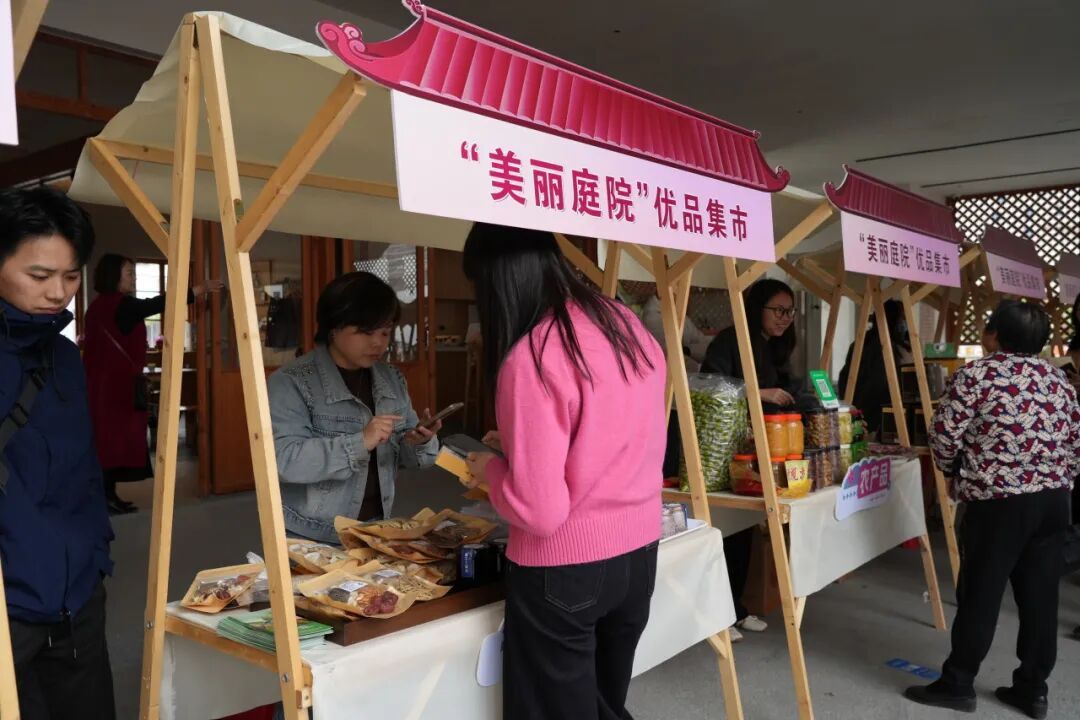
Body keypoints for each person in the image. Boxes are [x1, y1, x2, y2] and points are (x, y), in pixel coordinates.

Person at [459, 223, 666, 720]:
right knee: (605, 703)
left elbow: (540, 511)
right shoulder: (622, 321)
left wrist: (492, 470)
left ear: (497, 282)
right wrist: (521, 447)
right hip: (639, 553)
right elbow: (613, 431)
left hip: (565, 568)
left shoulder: (532, 354)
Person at [904, 300, 1079, 718]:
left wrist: (951, 471)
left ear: (994, 334)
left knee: (981, 593)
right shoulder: (1060, 381)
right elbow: (1074, 443)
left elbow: (943, 435)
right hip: (1054, 501)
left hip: (997, 501)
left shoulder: (976, 375)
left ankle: (958, 684)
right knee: (1041, 597)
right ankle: (1032, 690)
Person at [0, 187, 115, 718]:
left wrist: (94, 555)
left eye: (70, 277)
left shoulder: (65, 357)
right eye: (39, 275)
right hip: (10, 605)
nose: (58, 293)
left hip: (77, 594)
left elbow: (83, 468)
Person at [268, 271, 441, 544]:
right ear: (334, 328)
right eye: (365, 332)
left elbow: (411, 459)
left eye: (385, 332)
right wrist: (360, 442)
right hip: (311, 535)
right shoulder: (291, 382)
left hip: (376, 529)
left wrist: (418, 442)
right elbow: (284, 461)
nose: (378, 342)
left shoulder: (391, 379)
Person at [700, 277, 801, 640]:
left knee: (744, 531)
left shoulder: (775, 346)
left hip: (756, 451)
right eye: (778, 310)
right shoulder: (729, 341)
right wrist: (760, 393)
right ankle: (719, 616)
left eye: (790, 311)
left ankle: (737, 609)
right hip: (724, 451)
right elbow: (709, 387)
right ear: (757, 308)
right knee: (724, 531)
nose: (785, 318)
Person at [82, 254, 222, 514]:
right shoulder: (121, 305)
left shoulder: (98, 306)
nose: (134, 278)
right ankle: (105, 496)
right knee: (114, 440)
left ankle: (108, 494)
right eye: (129, 273)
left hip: (100, 385)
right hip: (117, 388)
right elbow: (159, 303)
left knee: (106, 439)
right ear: (114, 276)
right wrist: (198, 289)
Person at [837, 299, 912, 436]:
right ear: (894, 320)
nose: (905, 323)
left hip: (857, 412)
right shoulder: (888, 348)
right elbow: (880, 384)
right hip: (880, 418)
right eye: (903, 319)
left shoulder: (860, 342)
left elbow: (844, 378)